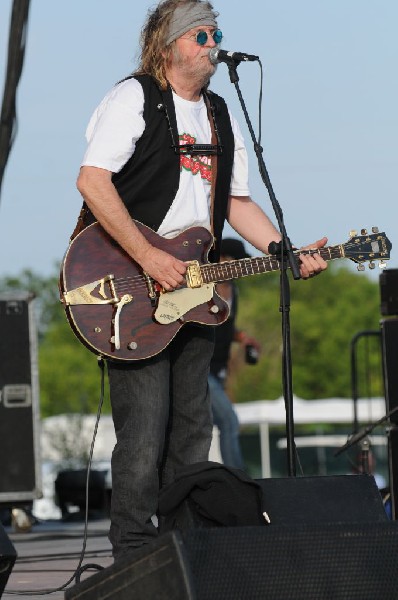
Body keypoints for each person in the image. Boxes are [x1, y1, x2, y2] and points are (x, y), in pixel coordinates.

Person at [76, 0, 328, 560]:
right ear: (169, 44)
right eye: (202, 34)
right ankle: (135, 557)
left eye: (217, 33)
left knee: (193, 427)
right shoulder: (135, 98)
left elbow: (235, 202)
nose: (214, 44)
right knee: (143, 431)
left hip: (195, 284)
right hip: (131, 284)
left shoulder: (218, 112)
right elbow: (92, 181)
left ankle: (184, 543)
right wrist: (146, 256)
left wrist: (284, 250)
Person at [209, 238, 261, 471]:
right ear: (224, 260)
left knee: (205, 424)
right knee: (229, 421)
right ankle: (237, 476)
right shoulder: (206, 289)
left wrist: (242, 338)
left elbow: (224, 327)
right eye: (237, 262)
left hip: (219, 370)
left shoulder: (234, 292)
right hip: (202, 368)